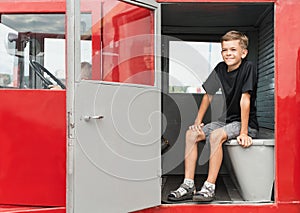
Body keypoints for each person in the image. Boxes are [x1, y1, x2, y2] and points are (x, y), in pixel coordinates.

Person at [168, 30, 259, 202]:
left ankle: (209, 186)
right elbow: (208, 95)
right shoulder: (220, 68)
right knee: (191, 134)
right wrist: (197, 122)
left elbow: (245, 100)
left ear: (243, 52)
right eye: (225, 50)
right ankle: (188, 185)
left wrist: (244, 132)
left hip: (244, 123)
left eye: (233, 49)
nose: (228, 53)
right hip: (225, 122)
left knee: (216, 136)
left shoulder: (249, 68)